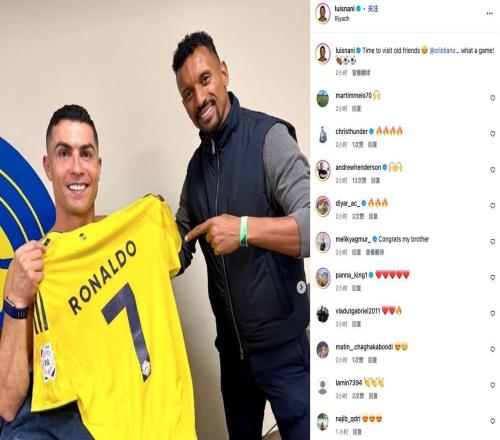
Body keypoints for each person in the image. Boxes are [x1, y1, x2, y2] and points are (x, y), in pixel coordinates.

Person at [0, 105, 196, 439]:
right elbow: (7, 405)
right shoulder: (38, 271)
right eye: (64, 154)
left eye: (86, 154)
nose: (77, 167)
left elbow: (184, 242)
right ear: (47, 166)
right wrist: (16, 300)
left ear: (99, 166)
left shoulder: (143, 225)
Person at [172, 31, 310, 440]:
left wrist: (245, 230)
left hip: (286, 353)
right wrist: (143, 228)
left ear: (224, 73)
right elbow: (178, 249)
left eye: (205, 80)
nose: (200, 98)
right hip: (234, 362)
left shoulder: (269, 138)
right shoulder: (195, 171)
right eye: (187, 93)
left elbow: (318, 227)